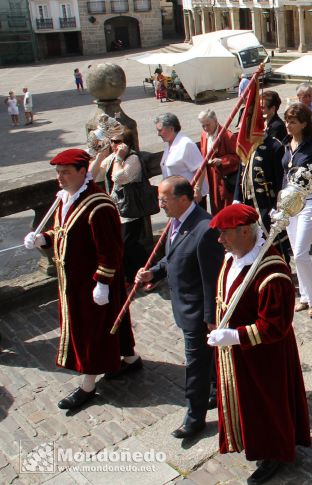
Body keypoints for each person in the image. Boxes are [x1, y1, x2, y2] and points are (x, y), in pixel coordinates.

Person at [24, 149, 139, 410]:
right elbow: (66, 233)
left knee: (91, 332)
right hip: (73, 281)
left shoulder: (98, 205)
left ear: (81, 172)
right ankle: (131, 359)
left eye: (65, 172)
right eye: (58, 173)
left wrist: (102, 282)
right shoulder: (65, 199)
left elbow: (111, 250)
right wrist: (44, 239)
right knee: (110, 324)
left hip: (92, 282)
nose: (60, 178)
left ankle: (88, 383)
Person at [206, 204, 310, 484]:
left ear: (244, 232)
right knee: (250, 404)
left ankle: (274, 453)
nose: (220, 240)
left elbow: (275, 325)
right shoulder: (234, 255)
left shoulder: (272, 272)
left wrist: (234, 336)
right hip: (240, 356)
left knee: (267, 406)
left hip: (265, 356)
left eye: (224, 233)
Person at [136, 176, 224, 438]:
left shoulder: (205, 229)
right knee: (207, 364)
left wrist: (211, 318)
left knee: (195, 365)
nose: (159, 204)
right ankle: (215, 391)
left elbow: (211, 278)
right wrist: (154, 272)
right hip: (183, 307)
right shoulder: (176, 223)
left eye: (164, 199)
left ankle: (194, 416)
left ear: (183, 199)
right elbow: (173, 258)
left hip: (198, 313)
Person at [282, 103, 312, 319]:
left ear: (303, 124)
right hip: (290, 204)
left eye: (292, 121)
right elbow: (284, 174)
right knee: (295, 252)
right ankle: (304, 295)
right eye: (287, 121)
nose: (288, 125)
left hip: (308, 201)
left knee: (301, 252)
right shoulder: (286, 144)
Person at [88, 124, 149, 285]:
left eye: (117, 141)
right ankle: (130, 276)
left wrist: (120, 158)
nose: (114, 145)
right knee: (121, 245)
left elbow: (119, 177)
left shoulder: (132, 158)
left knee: (130, 244)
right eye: (112, 141)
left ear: (126, 143)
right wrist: (99, 153)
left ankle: (150, 271)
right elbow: (94, 175)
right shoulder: (113, 158)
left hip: (130, 210)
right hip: (117, 208)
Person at [154, 112, 207, 205]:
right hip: (176, 198)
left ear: (171, 128)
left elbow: (200, 169)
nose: (158, 134)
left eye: (160, 130)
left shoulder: (186, 144)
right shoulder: (170, 144)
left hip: (190, 198)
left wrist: (197, 190)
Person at [198, 109, 241, 215]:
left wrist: (222, 161)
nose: (206, 128)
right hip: (212, 180)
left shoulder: (227, 136)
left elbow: (238, 157)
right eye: (203, 125)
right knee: (215, 209)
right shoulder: (204, 135)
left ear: (215, 120)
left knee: (227, 210)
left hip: (224, 181)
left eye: (208, 125)